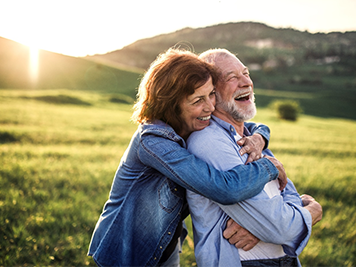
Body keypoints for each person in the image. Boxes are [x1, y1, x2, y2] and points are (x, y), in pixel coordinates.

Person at [87, 48, 288, 267]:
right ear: (172, 105)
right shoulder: (153, 142)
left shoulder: (189, 125)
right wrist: (269, 167)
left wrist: (260, 137)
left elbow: (247, 125)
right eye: (197, 101)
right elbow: (223, 188)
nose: (210, 107)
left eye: (211, 94)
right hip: (126, 253)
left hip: (166, 247)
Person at [186, 48, 323, 267]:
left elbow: (287, 197)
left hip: (284, 260)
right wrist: (312, 211)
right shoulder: (208, 142)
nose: (246, 83)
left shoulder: (253, 139)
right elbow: (279, 228)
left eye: (246, 73)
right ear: (211, 93)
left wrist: (264, 229)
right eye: (232, 77)